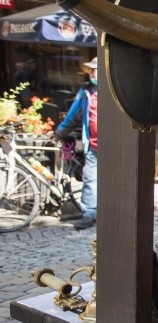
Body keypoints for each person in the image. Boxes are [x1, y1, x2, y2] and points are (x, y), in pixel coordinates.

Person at [55, 57, 99, 230]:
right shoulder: (87, 92)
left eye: (95, 70)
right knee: (90, 179)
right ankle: (89, 214)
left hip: (113, 147)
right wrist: (60, 132)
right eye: (90, 70)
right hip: (94, 145)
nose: (92, 73)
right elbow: (73, 115)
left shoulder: (116, 90)